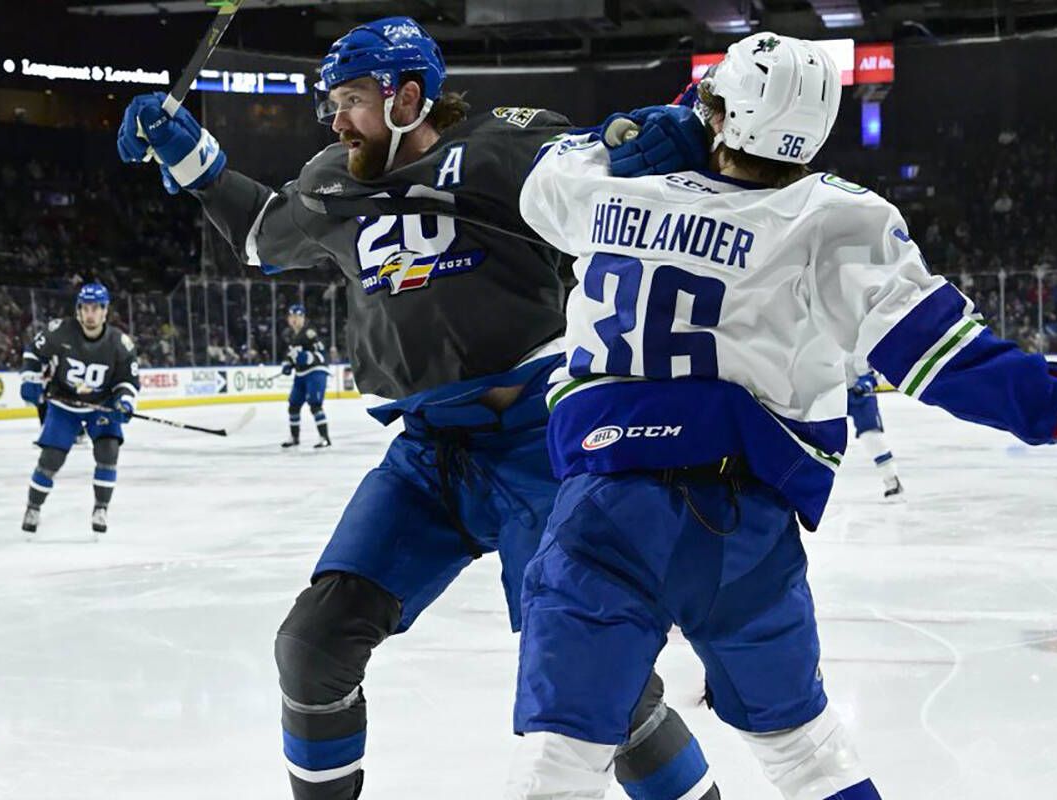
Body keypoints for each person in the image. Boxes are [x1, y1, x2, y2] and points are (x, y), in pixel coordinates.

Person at [507, 32, 1057, 799]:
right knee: (806, 753)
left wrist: (649, 122)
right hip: (740, 523)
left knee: (562, 763)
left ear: (721, 113)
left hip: (600, 509)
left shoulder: (607, 184)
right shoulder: (835, 217)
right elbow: (947, 363)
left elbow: (542, 180)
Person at [118, 16, 719, 800]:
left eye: (352, 100)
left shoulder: (506, 147)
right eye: (331, 103)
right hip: (429, 456)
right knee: (312, 646)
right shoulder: (337, 177)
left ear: (409, 97)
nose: (336, 120)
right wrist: (189, 156)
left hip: (540, 450)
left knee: (599, 676)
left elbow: (611, 161)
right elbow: (264, 236)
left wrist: (666, 137)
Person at [19, 282, 139, 537]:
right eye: (85, 308)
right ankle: (33, 508)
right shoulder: (60, 331)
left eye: (96, 308)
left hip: (101, 407)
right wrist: (29, 378)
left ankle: (101, 508)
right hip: (64, 405)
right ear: (78, 310)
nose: (91, 313)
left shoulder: (120, 344)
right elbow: (34, 352)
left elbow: (128, 381)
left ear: (105, 311)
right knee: (51, 459)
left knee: (108, 452)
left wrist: (124, 402)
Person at [845, 354, 904, 499]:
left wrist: (865, 384)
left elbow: (875, 372)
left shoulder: (857, 343)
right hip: (832, 395)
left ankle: (891, 479)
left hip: (859, 397)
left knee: (871, 437)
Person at [281, 303, 332, 449]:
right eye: (291, 316)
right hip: (301, 374)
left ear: (303, 318)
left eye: (297, 316)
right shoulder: (290, 334)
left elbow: (322, 354)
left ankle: (325, 438)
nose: (294, 319)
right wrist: (288, 365)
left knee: (315, 405)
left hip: (316, 372)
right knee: (293, 405)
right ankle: (294, 438)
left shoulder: (310, 333)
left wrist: (307, 357)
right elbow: (291, 355)